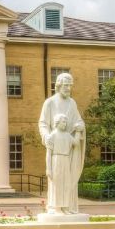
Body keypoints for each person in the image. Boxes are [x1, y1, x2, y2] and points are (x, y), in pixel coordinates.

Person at [38, 72, 85, 214]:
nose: (68, 88)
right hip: (56, 147)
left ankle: (67, 206)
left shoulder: (72, 103)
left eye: (70, 86)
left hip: (69, 147)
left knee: (68, 181)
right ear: (58, 85)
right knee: (57, 181)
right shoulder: (50, 102)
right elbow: (43, 123)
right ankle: (55, 207)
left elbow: (79, 121)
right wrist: (46, 136)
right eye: (66, 85)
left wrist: (80, 127)